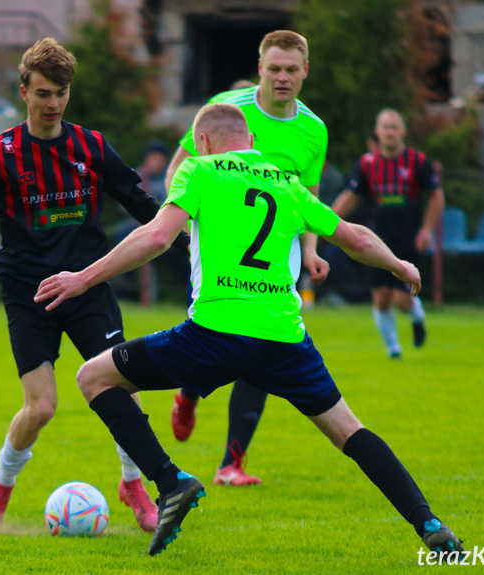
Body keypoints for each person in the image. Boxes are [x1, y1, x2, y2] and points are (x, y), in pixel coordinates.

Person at [33, 103, 464, 558]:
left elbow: (158, 237)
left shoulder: (199, 170)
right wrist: (398, 264)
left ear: (201, 142)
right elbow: (354, 237)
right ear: (251, 143)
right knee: (349, 431)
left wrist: (82, 278)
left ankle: (170, 481)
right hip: (285, 340)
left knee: (93, 377)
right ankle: (430, 524)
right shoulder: (286, 182)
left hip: (215, 334)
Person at [0, 38, 189, 532]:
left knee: (125, 390)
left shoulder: (90, 146)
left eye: (62, 94)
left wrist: (187, 248)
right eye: (45, 93)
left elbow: (142, 206)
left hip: (87, 285)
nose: (53, 104)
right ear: (24, 91)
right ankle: (0, 487)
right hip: (28, 293)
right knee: (41, 407)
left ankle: (134, 484)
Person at [164, 30, 329, 487]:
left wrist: (311, 250)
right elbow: (179, 166)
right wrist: (179, 223)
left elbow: (310, 198)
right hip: (220, 245)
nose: (282, 78)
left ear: (305, 72)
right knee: (219, 338)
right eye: (273, 68)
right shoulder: (227, 108)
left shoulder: (313, 130)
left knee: (262, 345)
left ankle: (231, 463)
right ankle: (189, 392)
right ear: (260, 67)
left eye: (291, 69)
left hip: (281, 253)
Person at [332, 109, 445, 358]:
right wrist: (326, 220)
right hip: (380, 237)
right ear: (377, 131)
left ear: (403, 131)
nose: (390, 132)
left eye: (395, 127)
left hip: (409, 236)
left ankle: (417, 317)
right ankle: (393, 350)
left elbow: (437, 196)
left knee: (401, 300)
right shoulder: (368, 163)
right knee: (381, 297)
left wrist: (426, 230)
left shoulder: (417, 162)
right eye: (386, 127)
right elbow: (352, 195)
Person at [112, 140, 189, 299]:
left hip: (163, 226)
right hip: (136, 225)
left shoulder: (170, 179)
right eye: (154, 156)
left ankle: (187, 282)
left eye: (160, 157)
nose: (157, 160)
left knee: (175, 247)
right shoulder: (136, 176)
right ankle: (123, 280)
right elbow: (124, 205)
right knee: (121, 234)